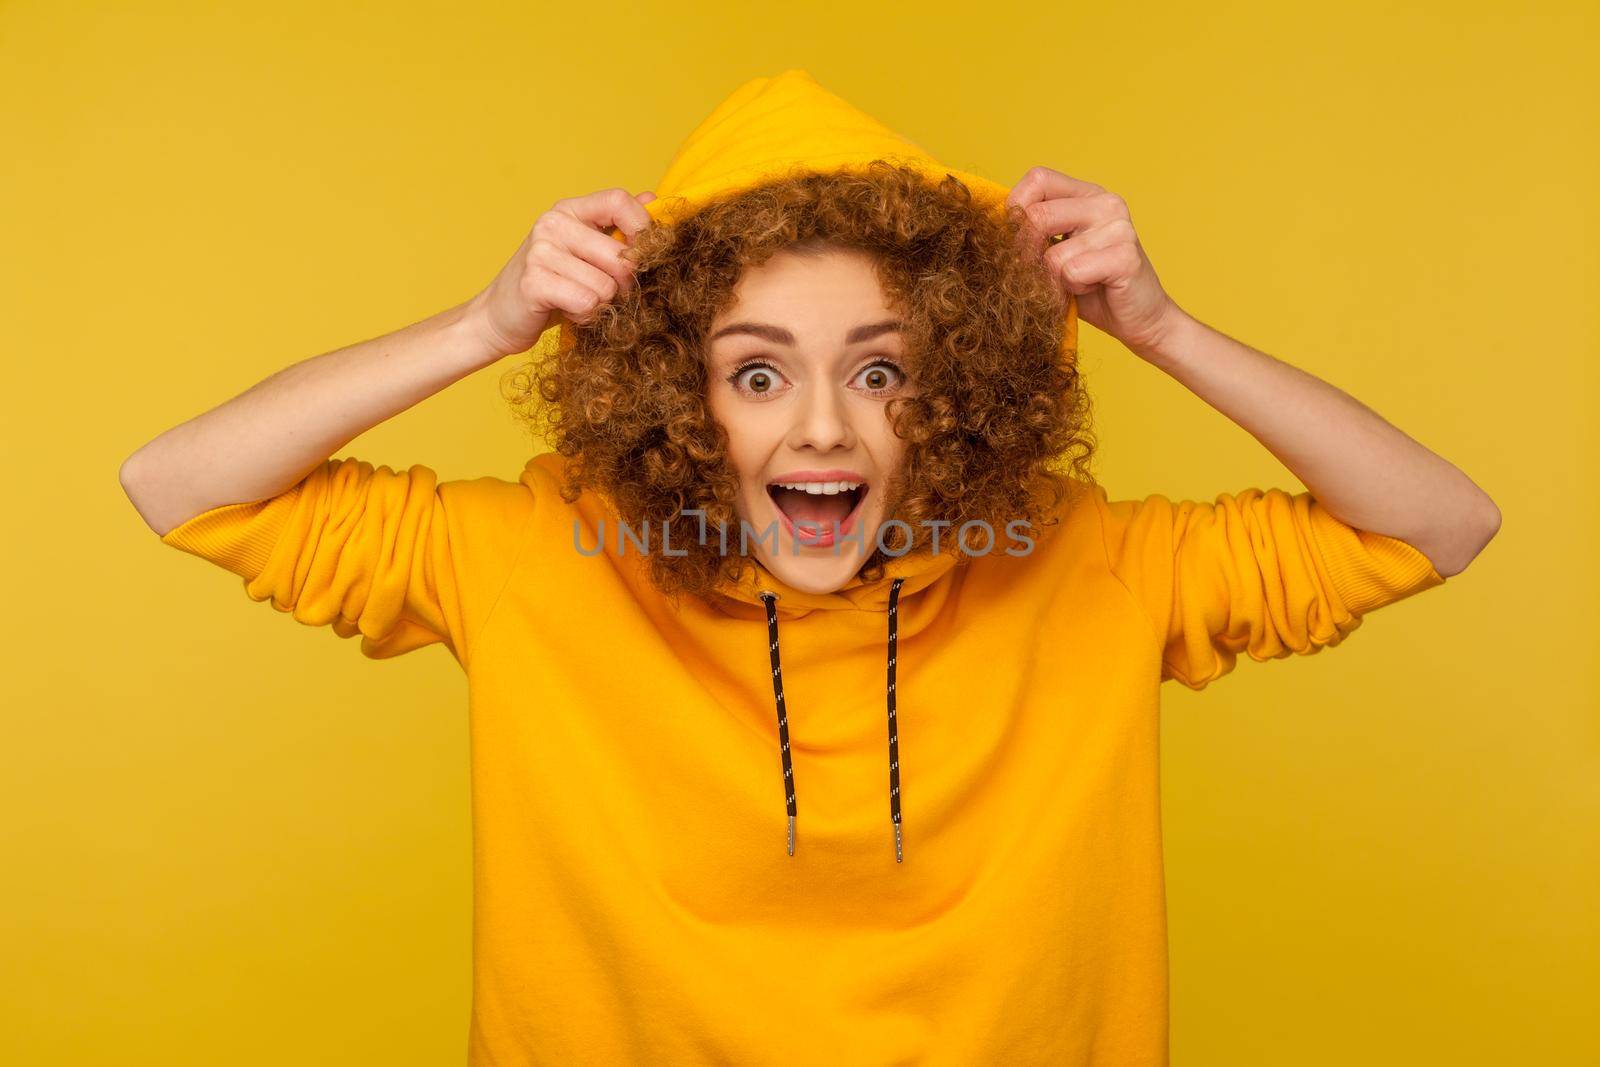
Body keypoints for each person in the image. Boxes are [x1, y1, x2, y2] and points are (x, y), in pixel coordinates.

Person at [120, 69, 1498, 1065]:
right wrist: (486, 325)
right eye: (757, 372)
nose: (823, 426)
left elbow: (1438, 523)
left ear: (954, 388)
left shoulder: (1085, 565)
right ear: (673, 392)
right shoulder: (541, 559)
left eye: (881, 370)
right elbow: (177, 484)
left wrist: (1164, 329)